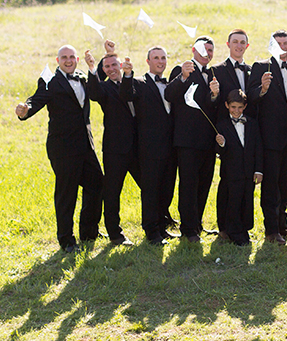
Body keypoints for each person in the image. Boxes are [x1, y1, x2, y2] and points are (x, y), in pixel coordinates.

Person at [15, 45, 103, 253]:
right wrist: (24, 110)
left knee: (97, 183)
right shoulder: (50, 81)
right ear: (57, 60)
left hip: (85, 144)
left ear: (77, 59)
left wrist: (93, 67)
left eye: (72, 57)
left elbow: (98, 89)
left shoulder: (82, 77)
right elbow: (35, 100)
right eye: (64, 57)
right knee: (67, 193)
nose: (68, 60)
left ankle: (89, 232)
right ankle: (66, 240)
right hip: (62, 148)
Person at [248, 30, 287, 245]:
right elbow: (250, 97)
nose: (282, 46)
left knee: (286, 182)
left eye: (285, 43)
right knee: (270, 184)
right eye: (277, 43)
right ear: (271, 46)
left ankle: (283, 224)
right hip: (269, 137)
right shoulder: (261, 67)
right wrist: (262, 88)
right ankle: (271, 231)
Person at [85, 42, 141, 246]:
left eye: (113, 65)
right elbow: (94, 94)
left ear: (121, 65)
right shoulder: (103, 88)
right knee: (112, 192)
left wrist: (127, 74)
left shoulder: (134, 81)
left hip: (140, 147)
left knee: (150, 186)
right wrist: (92, 69)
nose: (111, 69)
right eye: (106, 67)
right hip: (115, 149)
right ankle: (115, 234)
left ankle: (156, 225)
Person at [165, 36, 220, 243]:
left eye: (210, 50)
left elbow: (211, 106)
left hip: (208, 141)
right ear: (193, 50)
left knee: (204, 184)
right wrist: (182, 77)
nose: (207, 53)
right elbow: (169, 95)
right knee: (188, 184)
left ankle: (197, 224)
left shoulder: (214, 73)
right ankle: (187, 230)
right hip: (187, 140)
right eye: (203, 49)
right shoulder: (182, 70)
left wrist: (215, 96)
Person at [120, 47, 176, 245]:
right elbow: (126, 94)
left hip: (171, 148)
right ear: (148, 61)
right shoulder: (139, 83)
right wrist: (127, 75)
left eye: (163, 57)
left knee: (167, 189)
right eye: (156, 58)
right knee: (151, 191)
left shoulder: (169, 83)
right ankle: (151, 232)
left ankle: (162, 227)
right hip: (150, 148)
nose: (160, 61)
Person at [213, 29, 253, 237]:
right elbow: (214, 102)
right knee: (227, 182)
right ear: (228, 45)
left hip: (248, 132)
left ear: (247, 46)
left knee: (246, 184)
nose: (238, 45)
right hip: (226, 133)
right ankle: (225, 227)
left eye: (242, 42)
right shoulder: (217, 70)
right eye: (235, 42)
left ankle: (243, 224)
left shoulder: (252, 70)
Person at [215, 90, 263, 246]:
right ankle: (234, 233)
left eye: (240, 107)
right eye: (233, 107)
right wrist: (221, 144)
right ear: (227, 105)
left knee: (247, 200)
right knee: (232, 201)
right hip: (231, 172)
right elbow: (219, 152)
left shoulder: (252, 123)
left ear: (245, 106)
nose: (236, 111)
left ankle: (244, 229)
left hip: (248, 171)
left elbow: (258, 148)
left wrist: (258, 170)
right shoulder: (221, 125)